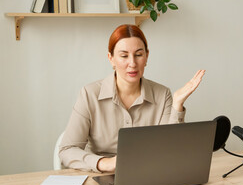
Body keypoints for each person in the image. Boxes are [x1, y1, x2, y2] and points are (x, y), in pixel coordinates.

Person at [59, 24, 205, 173]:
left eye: (138, 54)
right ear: (111, 59)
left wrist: (177, 105)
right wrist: (105, 163)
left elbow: (171, 150)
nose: (132, 63)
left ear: (147, 56)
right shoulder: (89, 94)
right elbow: (67, 150)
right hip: (103, 177)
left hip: (150, 176)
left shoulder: (163, 94)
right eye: (124, 56)